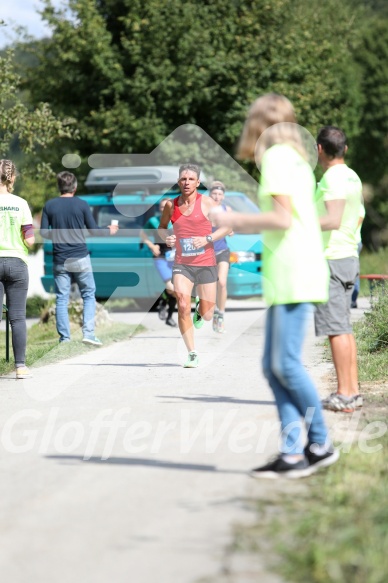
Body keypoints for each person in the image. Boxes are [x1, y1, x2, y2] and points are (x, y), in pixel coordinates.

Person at [211, 93, 338, 478]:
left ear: (259, 123)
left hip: (294, 273)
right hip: (292, 273)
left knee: (284, 364)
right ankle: (292, 453)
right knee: (273, 366)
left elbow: (282, 219)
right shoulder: (295, 159)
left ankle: (319, 443)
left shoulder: (279, 158)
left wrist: (232, 219)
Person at [158, 164, 231, 368]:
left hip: (206, 263)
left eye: (191, 179)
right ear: (179, 182)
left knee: (208, 315)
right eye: (183, 179)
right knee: (182, 303)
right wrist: (167, 238)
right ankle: (191, 353)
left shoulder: (208, 203)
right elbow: (162, 228)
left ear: (198, 183)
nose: (186, 182)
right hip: (182, 263)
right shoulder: (171, 206)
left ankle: (201, 308)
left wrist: (207, 238)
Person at [314, 126, 363, 412]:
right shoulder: (352, 176)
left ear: (320, 149)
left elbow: (332, 219)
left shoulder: (332, 178)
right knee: (343, 328)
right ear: (343, 148)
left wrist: (299, 220)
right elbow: (356, 217)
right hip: (347, 256)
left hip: (332, 259)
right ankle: (352, 391)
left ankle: (344, 394)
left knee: (336, 329)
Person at [40, 171, 118, 345]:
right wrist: (109, 230)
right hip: (80, 257)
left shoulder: (49, 205)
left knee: (62, 297)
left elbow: (44, 232)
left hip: (60, 259)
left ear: (59, 187)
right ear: (74, 187)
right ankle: (88, 334)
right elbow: (93, 231)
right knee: (89, 294)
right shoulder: (82, 204)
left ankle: (65, 338)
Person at [0, 159, 35, 379]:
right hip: (17, 263)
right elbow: (30, 240)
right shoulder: (21, 203)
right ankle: (20, 367)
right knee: (18, 318)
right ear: (12, 178)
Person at [140, 198, 177, 327]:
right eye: (162, 207)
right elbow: (142, 234)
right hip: (160, 256)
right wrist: (151, 246)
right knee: (171, 287)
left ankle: (169, 315)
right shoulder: (154, 221)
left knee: (175, 289)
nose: (164, 209)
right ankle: (163, 301)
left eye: (167, 207)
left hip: (176, 258)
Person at [209, 181, 232, 334]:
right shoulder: (204, 209)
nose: (217, 197)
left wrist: (230, 230)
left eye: (219, 194)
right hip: (206, 252)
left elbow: (231, 227)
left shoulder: (226, 209)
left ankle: (220, 314)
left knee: (222, 282)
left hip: (222, 250)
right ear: (210, 195)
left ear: (223, 196)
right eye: (214, 194)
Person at [351, 204, 365, 309]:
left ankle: (353, 299)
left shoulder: (359, 207)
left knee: (354, 271)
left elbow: (355, 225)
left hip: (354, 242)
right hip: (348, 242)